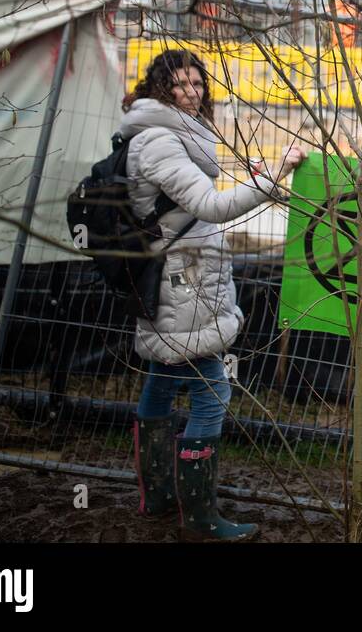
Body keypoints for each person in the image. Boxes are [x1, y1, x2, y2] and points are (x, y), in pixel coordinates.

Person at [121, 49, 308, 541]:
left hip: (182, 278)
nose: (193, 92)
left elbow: (193, 204)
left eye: (197, 83)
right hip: (180, 283)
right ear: (160, 88)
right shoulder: (161, 141)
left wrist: (256, 178)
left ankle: (158, 497)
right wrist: (273, 177)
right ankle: (200, 516)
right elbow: (210, 205)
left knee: (163, 380)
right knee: (212, 392)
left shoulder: (172, 136)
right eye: (180, 84)